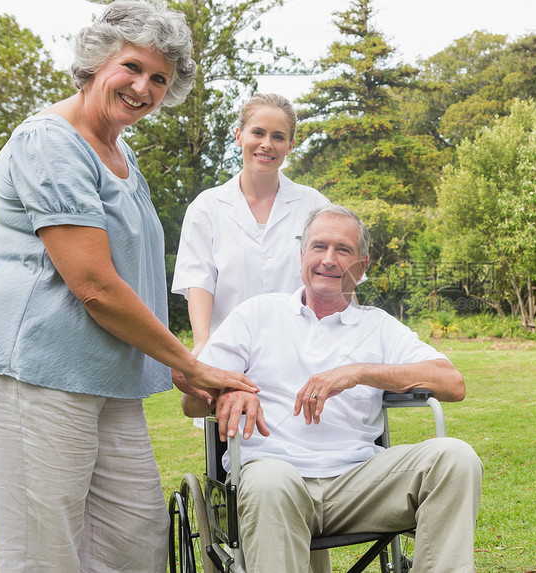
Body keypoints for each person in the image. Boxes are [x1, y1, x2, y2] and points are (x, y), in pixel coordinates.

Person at [0, 2, 259, 571]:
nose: (143, 87)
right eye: (132, 68)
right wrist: (188, 363)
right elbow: (94, 285)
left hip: (110, 376)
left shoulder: (119, 150)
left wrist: (176, 361)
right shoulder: (51, 142)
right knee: (47, 547)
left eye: (159, 78)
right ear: (94, 62)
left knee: (135, 539)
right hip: (41, 370)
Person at [181, 205, 483, 573]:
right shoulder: (256, 314)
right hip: (275, 477)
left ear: (363, 265)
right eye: (319, 246)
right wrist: (226, 389)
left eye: (343, 250)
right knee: (270, 483)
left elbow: (452, 382)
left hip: (358, 484)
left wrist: (358, 372)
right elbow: (190, 399)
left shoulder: (378, 327)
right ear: (302, 255)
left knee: (456, 458)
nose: (329, 259)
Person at [172, 92, 330, 354]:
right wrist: (202, 341)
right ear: (239, 136)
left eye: (278, 137)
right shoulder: (206, 207)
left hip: (303, 352)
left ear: (290, 145)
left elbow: (340, 278)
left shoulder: (314, 205)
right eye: (258, 132)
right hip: (230, 351)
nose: (266, 144)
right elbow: (200, 282)